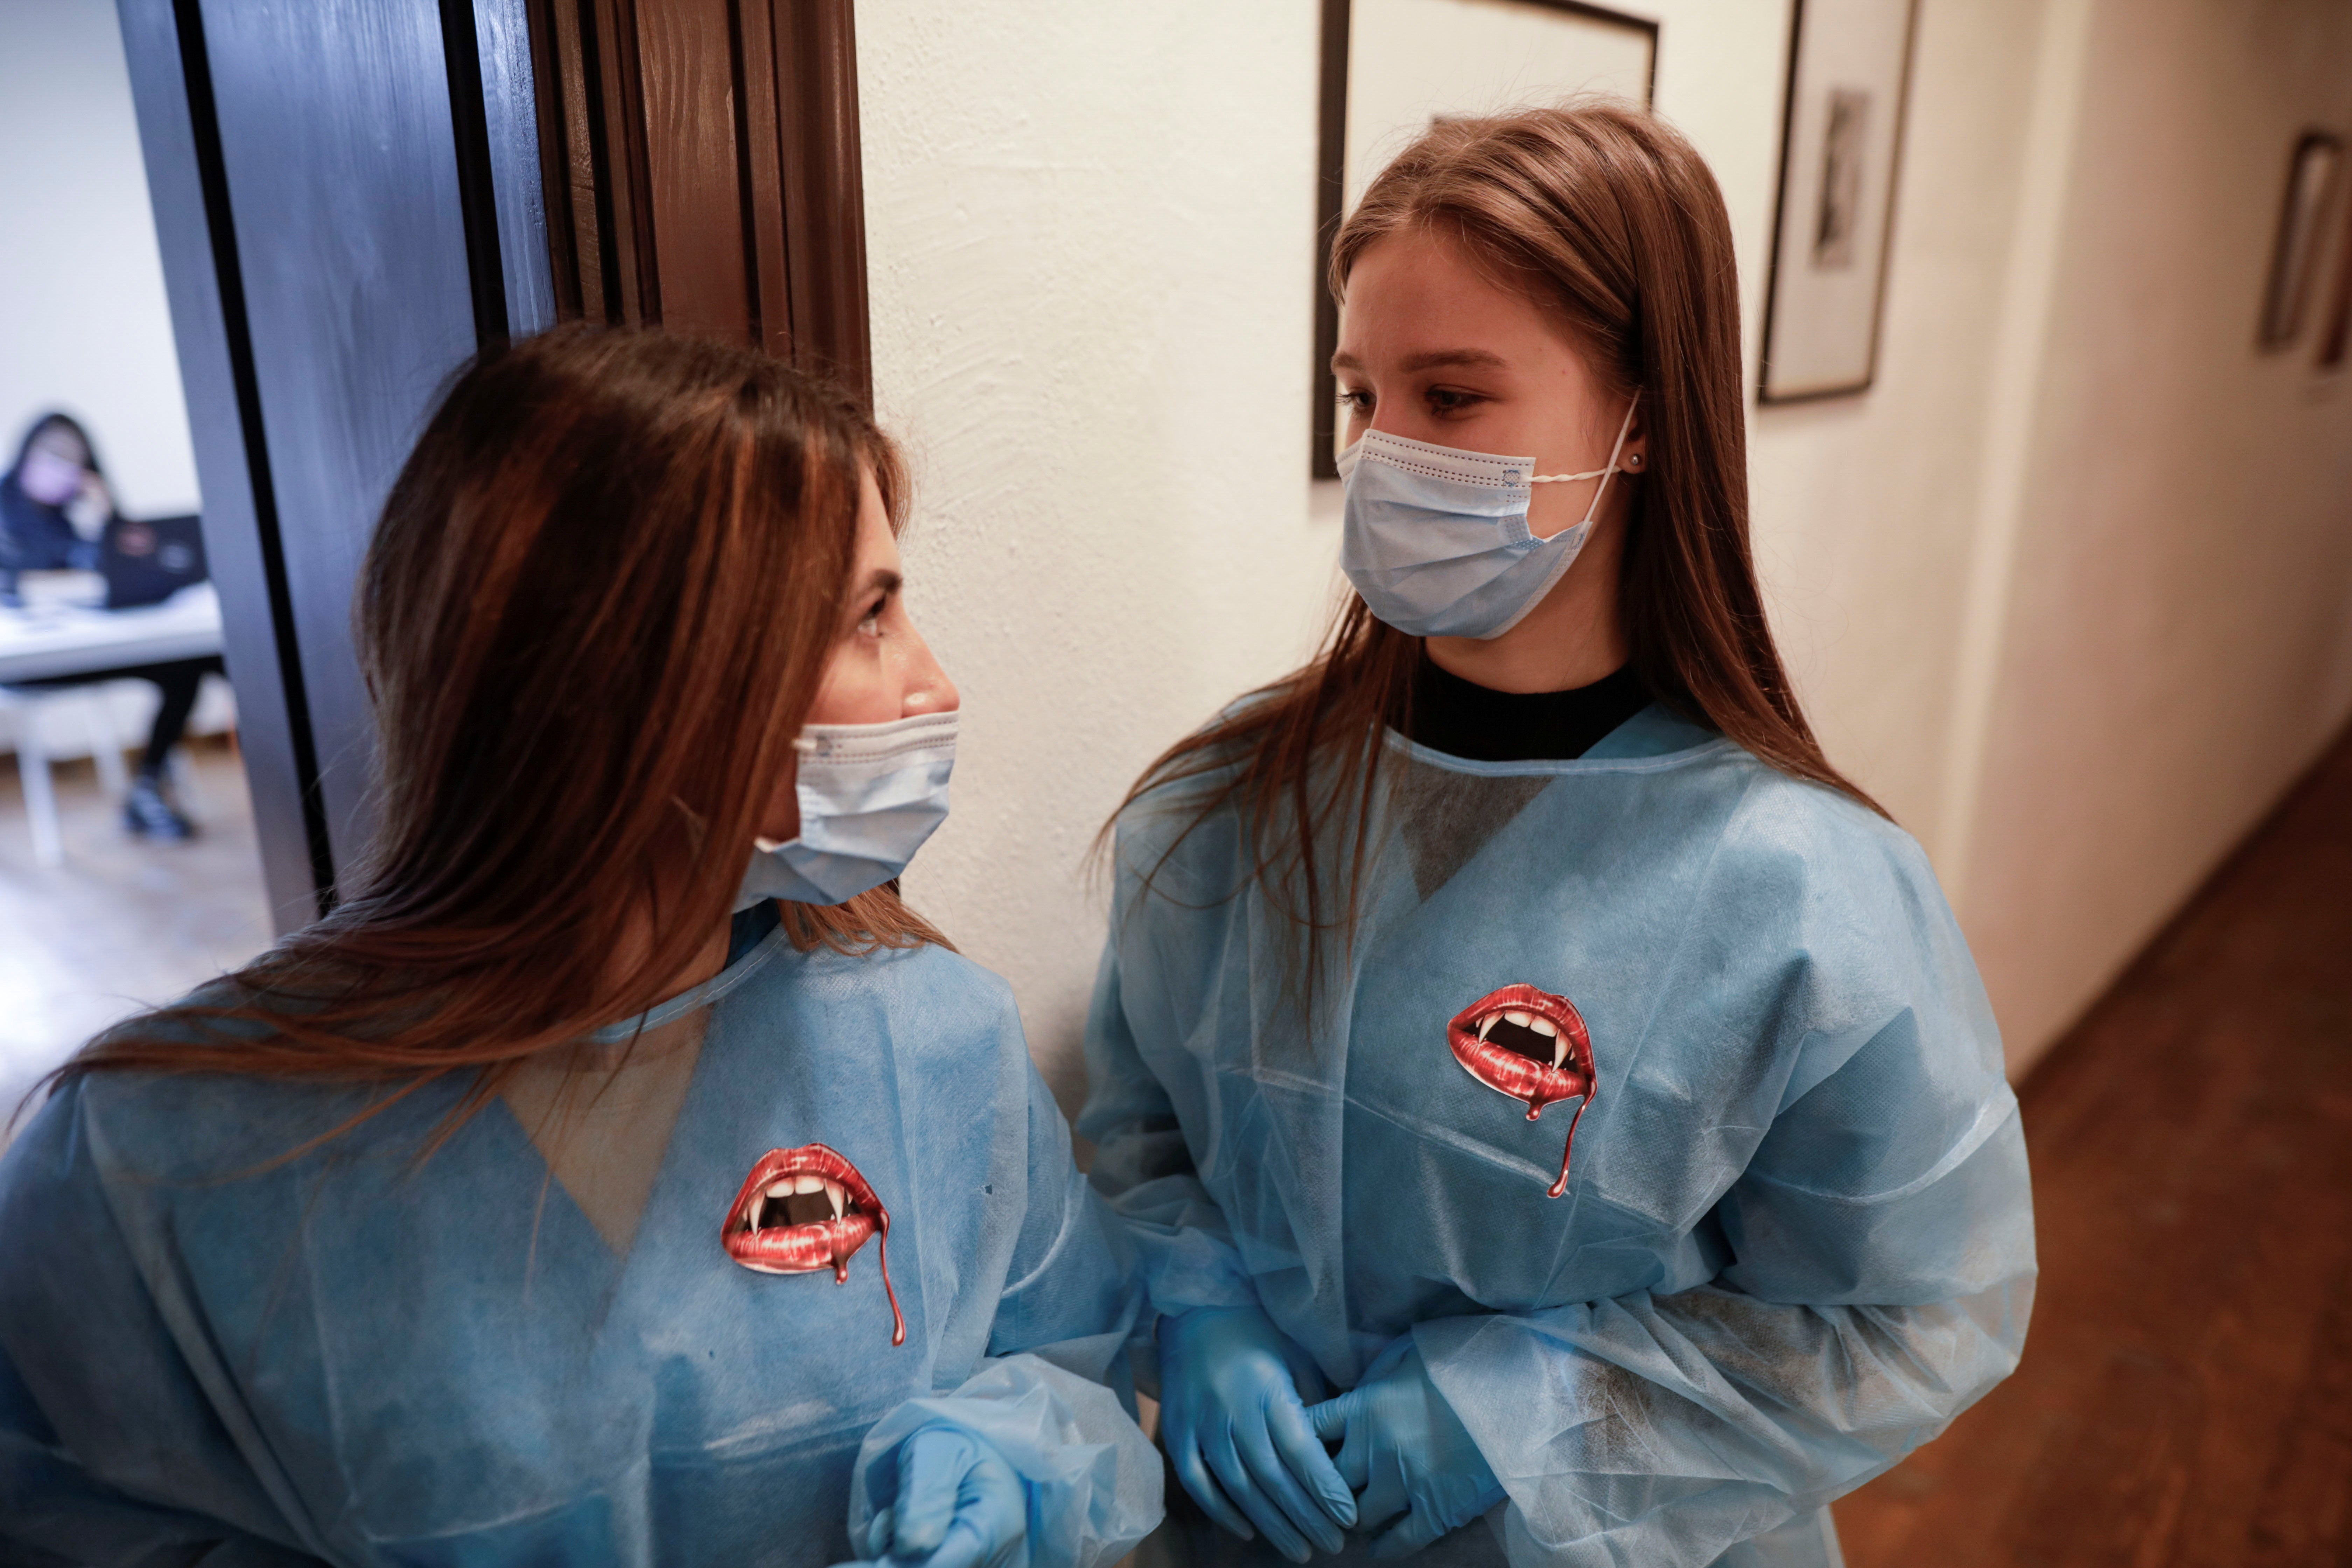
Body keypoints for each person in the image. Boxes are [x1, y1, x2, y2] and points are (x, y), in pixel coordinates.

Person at [0, 329, 1160, 1566]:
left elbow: (1070, 1362)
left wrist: (1007, 1451)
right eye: (870, 617)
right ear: (644, 680)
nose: (932, 683)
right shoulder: (158, 1156)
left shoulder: (930, 1040)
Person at [1082, 103, 2033, 1567]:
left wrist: (1534, 1414)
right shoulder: (1226, 805)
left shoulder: (1798, 896)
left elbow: (1908, 1313)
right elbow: (1143, 1127)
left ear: (1643, 418)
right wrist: (1195, 1302)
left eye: (1454, 399)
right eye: (1360, 395)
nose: (1385, 455)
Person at [1, 411, 224, 839]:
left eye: (73, 460)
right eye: (52, 456)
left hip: (96, 643)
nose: (61, 469)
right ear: (28, 452)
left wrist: (102, 526)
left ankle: (147, 788)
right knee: (185, 667)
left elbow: (133, 573)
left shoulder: (86, 510)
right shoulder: (4, 510)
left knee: (186, 667)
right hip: (30, 660)